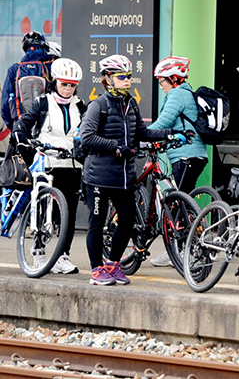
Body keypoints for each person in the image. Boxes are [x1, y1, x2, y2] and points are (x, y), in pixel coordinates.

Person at [80, 55, 185, 286]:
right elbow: (86, 137)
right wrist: (117, 148)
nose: (128, 80)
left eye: (129, 76)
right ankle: (97, 270)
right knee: (96, 223)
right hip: (99, 176)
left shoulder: (130, 104)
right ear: (108, 79)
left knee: (127, 221)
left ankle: (113, 265)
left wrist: (171, 134)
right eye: (122, 76)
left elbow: (142, 134)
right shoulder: (98, 105)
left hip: (124, 177)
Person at [11, 58, 85, 275]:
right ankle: (39, 250)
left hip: (72, 164)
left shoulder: (81, 106)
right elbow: (24, 123)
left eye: (72, 85)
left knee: (68, 214)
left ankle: (63, 256)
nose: (68, 88)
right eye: (64, 84)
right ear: (55, 82)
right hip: (47, 163)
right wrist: (20, 136)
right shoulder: (42, 102)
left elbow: (89, 131)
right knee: (46, 212)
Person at [147, 56, 208, 267]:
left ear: (173, 79)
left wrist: (139, 134)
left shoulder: (176, 94)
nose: (161, 85)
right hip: (195, 155)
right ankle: (184, 247)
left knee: (176, 205)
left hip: (185, 155)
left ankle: (177, 251)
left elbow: (164, 122)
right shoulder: (187, 93)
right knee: (182, 202)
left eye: (162, 81)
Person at [1, 31, 54, 130]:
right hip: (48, 126)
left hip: (22, 125)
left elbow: (5, 106)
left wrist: (15, 127)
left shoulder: (14, 69)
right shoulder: (52, 66)